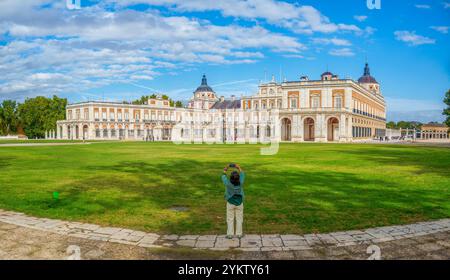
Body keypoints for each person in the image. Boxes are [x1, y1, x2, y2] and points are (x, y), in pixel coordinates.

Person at [221, 163, 245, 239]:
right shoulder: (240, 182)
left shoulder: (228, 183)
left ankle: (230, 234)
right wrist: (238, 167)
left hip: (230, 202)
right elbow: (242, 174)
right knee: (239, 218)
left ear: (230, 178)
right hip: (239, 203)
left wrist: (226, 168)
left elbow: (223, 176)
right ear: (238, 178)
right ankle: (239, 234)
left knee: (230, 218)